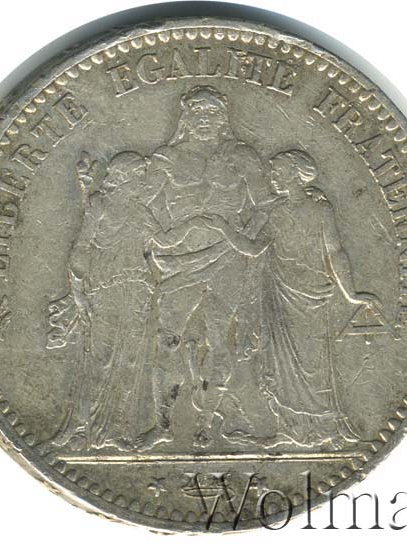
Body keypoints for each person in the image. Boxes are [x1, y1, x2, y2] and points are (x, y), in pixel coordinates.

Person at [136, 85, 271, 449]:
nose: (205, 120)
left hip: (228, 260)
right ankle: (163, 424)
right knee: (168, 340)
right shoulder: (167, 158)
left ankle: (207, 423)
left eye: (212, 114)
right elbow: (139, 204)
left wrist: (239, 240)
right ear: (187, 118)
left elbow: (266, 207)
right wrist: (165, 237)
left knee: (220, 341)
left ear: (223, 119)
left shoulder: (241, 156)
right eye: (198, 113)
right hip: (179, 260)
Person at [250, 150, 379, 449]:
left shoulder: (320, 209)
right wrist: (220, 229)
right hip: (280, 294)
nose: (273, 177)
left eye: (278, 171)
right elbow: (254, 248)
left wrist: (350, 293)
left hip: (311, 294)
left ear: (297, 174)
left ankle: (326, 427)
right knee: (282, 364)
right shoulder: (274, 212)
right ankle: (290, 429)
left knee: (315, 364)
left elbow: (335, 252)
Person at [47, 151, 159, 451]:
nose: (143, 182)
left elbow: (158, 251)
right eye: (139, 176)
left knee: (130, 361)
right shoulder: (100, 205)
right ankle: (89, 430)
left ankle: (119, 432)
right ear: (123, 177)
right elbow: (81, 249)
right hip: (106, 290)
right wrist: (79, 293)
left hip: (138, 293)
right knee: (101, 360)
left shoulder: (143, 212)